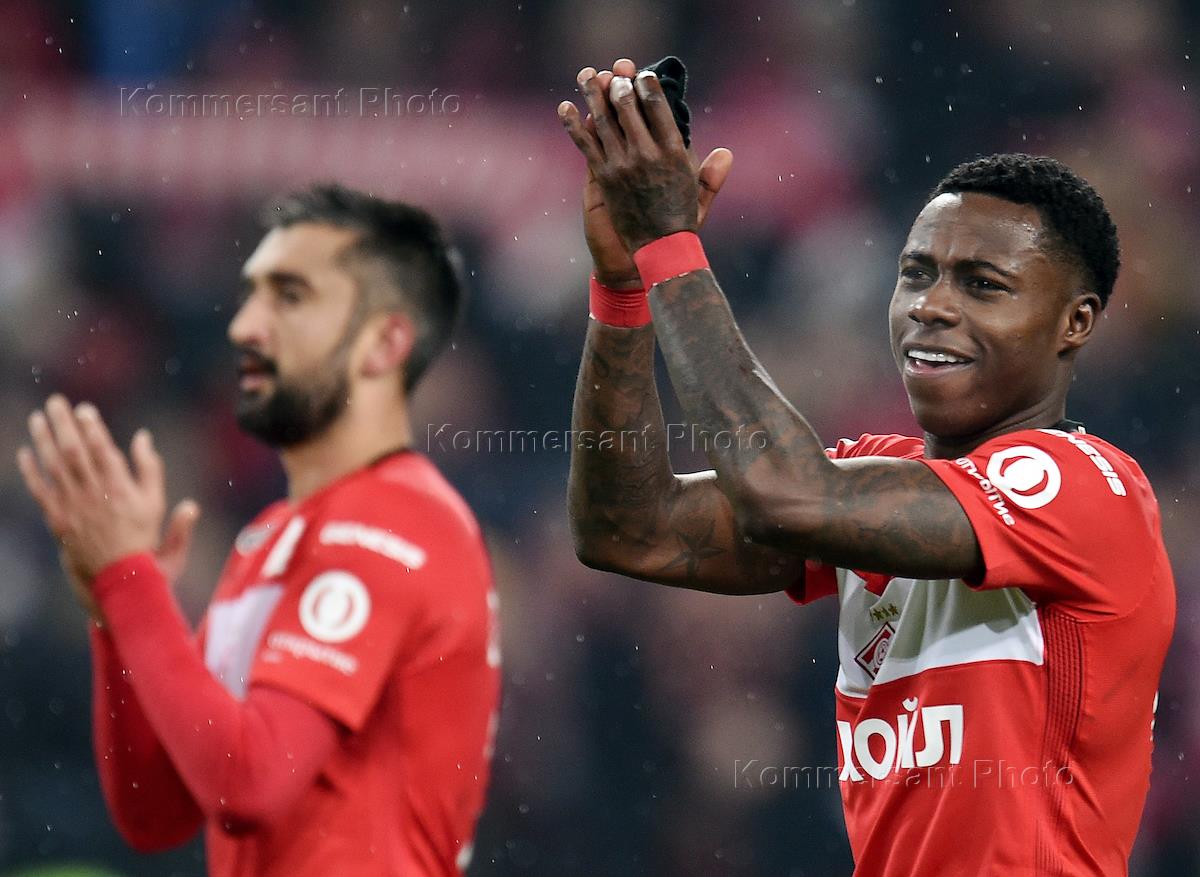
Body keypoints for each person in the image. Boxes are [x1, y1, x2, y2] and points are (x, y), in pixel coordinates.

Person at [560, 58, 1174, 875]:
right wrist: (624, 280)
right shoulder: (871, 484)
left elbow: (784, 493)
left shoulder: (1082, 486)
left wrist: (670, 245)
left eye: (983, 285)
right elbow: (626, 529)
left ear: (1075, 322)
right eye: (916, 273)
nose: (932, 305)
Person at [17, 185, 501, 876]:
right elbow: (156, 809)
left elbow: (248, 785)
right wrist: (116, 605)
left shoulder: (394, 522)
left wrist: (129, 577)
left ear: (384, 343)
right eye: (250, 295)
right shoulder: (271, 538)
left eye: (290, 297)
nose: (245, 325)